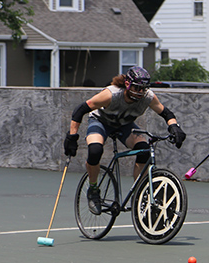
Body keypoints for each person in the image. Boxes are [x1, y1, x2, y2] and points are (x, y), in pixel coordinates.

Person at [63, 66, 187, 214]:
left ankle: (139, 191)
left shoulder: (148, 97)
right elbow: (80, 110)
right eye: (136, 88)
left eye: (143, 89)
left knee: (144, 150)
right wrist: (72, 136)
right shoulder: (111, 94)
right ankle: (93, 189)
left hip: (124, 125)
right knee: (95, 150)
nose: (140, 92)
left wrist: (174, 127)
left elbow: (166, 112)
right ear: (128, 84)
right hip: (101, 122)